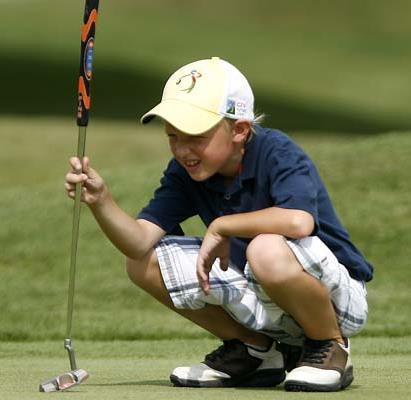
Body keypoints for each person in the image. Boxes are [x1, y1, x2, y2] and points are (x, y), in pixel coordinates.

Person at [65, 57, 373, 392]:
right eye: (173, 136)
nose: (183, 150)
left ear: (240, 130)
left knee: (265, 248)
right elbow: (139, 241)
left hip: (335, 299)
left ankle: (330, 346)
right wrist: (101, 201)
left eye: (195, 136)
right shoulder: (185, 173)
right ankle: (254, 350)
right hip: (262, 293)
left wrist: (222, 226)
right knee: (142, 263)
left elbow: (298, 221)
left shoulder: (277, 151)